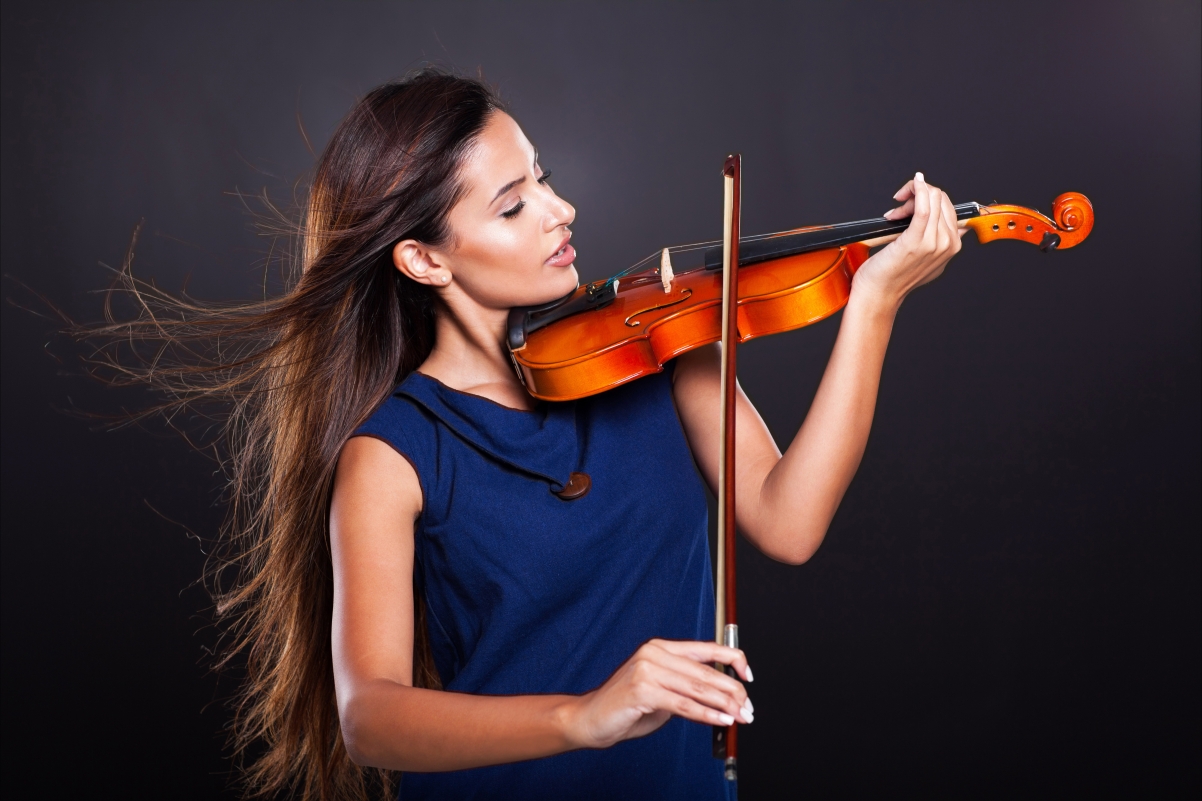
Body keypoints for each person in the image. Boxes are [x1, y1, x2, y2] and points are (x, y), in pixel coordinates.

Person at [97, 68, 963, 800]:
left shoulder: (657, 341)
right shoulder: (394, 453)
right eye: (515, 206)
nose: (562, 209)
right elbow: (371, 716)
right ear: (425, 260)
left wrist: (873, 304)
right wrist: (587, 713)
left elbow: (789, 519)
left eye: (543, 177)